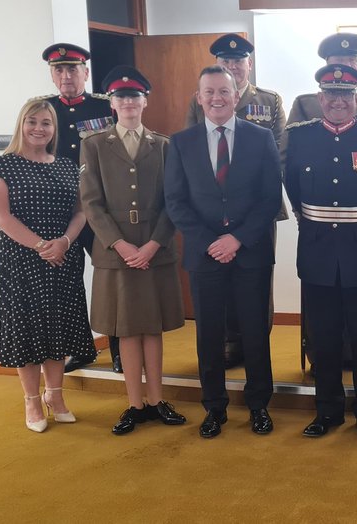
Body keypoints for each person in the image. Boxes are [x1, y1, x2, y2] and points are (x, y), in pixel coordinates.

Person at [164, 66, 282, 439]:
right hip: (204, 256)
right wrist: (211, 242)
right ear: (199, 98)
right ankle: (214, 408)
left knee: (254, 332)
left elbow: (269, 198)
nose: (217, 98)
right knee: (209, 336)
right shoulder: (180, 143)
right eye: (209, 92)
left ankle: (259, 405)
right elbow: (176, 202)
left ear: (236, 96)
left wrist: (238, 239)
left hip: (250, 253)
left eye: (224, 92)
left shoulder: (260, 138)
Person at [285, 65, 357, 440]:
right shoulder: (300, 138)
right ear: (320, 99)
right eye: (330, 94)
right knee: (324, 337)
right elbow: (292, 186)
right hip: (317, 249)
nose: (338, 101)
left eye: (345, 95)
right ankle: (328, 412)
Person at [79, 66, 187, 435]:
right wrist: (122, 245)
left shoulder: (165, 145)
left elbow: (175, 201)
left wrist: (154, 244)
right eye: (120, 97)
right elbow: (91, 204)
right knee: (126, 329)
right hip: (116, 251)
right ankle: (134, 404)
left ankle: (157, 400)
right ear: (111, 103)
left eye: (134, 96)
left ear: (145, 101)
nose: (128, 102)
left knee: (152, 327)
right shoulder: (93, 145)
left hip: (156, 248)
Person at [0, 99, 95, 433]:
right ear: (21, 124)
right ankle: (32, 400)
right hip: (20, 258)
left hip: (63, 256)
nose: (38, 128)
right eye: (32, 121)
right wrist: (41, 245)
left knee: (57, 326)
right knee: (28, 329)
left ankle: (55, 396)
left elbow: (81, 211)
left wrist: (65, 242)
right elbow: (1, 217)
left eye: (46, 123)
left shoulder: (64, 165)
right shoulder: (1, 166)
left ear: (53, 129)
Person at [183, 33, 289, 372]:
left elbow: (280, 153)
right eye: (225, 62)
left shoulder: (269, 101)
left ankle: (256, 338)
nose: (233, 66)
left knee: (257, 277)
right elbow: (193, 153)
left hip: (258, 210)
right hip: (213, 212)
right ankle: (229, 342)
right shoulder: (197, 100)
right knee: (218, 278)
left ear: (248, 64)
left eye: (238, 61)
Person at [35, 42, 122, 373]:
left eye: (72, 68)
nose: (66, 75)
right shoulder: (42, 110)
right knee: (68, 283)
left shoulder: (106, 106)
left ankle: (117, 349)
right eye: (59, 69)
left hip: (101, 206)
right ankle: (82, 347)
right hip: (61, 211)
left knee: (110, 277)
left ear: (86, 72)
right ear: (52, 74)